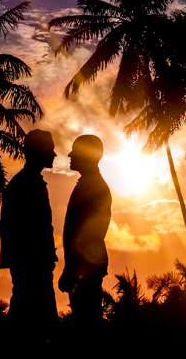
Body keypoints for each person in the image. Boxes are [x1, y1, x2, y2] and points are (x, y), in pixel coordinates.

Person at [0, 129, 58, 331]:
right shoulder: (27, 183)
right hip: (32, 263)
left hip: (31, 262)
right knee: (33, 318)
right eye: (51, 149)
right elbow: (31, 228)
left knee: (27, 315)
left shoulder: (26, 182)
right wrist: (42, 257)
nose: (54, 154)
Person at [58, 134, 112, 323]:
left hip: (85, 268)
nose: (70, 155)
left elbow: (87, 235)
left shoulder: (93, 187)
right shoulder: (90, 185)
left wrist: (73, 269)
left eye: (76, 151)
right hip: (84, 267)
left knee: (86, 322)